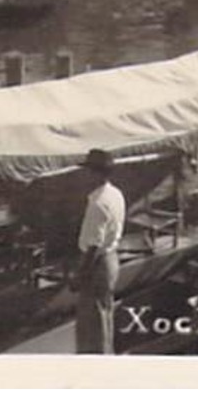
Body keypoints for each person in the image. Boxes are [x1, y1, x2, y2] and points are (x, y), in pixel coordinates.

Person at [73, 148, 125, 354]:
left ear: (96, 173)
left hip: (98, 265)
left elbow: (93, 245)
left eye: (87, 171)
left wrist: (80, 275)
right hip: (111, 258)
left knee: (91, 322)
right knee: (104, 314)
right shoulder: (115, 194)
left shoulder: (98, 204)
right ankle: (105, 355)